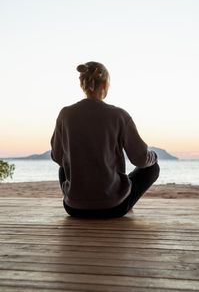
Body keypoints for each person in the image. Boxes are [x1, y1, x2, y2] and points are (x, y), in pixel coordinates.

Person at [51, 61, 160, 218]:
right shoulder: (119, 115)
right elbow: (141, 160)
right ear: (105, 85)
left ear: (82, 84)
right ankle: (120, 198)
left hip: (74, 208)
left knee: (63, 169)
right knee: (152, 168)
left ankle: (80, 197)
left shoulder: (65, 114)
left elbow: (57, 157)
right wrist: (154, 155)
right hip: (113, 208)